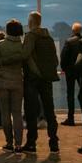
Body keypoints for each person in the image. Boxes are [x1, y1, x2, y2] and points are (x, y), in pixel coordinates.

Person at [21, 11, 59, 154]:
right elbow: (55, 60)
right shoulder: (48, 37)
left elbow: (25, 55)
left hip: (32, 79)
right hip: (47, 78)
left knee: (31, 112)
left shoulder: (31, 36)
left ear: (31, 21)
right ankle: (54, 142)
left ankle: (31, 143)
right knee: (50, 111)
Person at [0, 20, 25, 153]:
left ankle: (9, 142)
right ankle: (19, 144)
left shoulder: (0, 45)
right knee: (17, 113)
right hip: (17, 81)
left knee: (5, 113)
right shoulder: (22, 46)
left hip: (2, 82)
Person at [60, 22, 82, 126]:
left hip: (70, 71)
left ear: (73, 30)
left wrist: (65, 68)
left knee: (70, 95)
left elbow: (63, 57)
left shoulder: (69, 41)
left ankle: (71, 118)